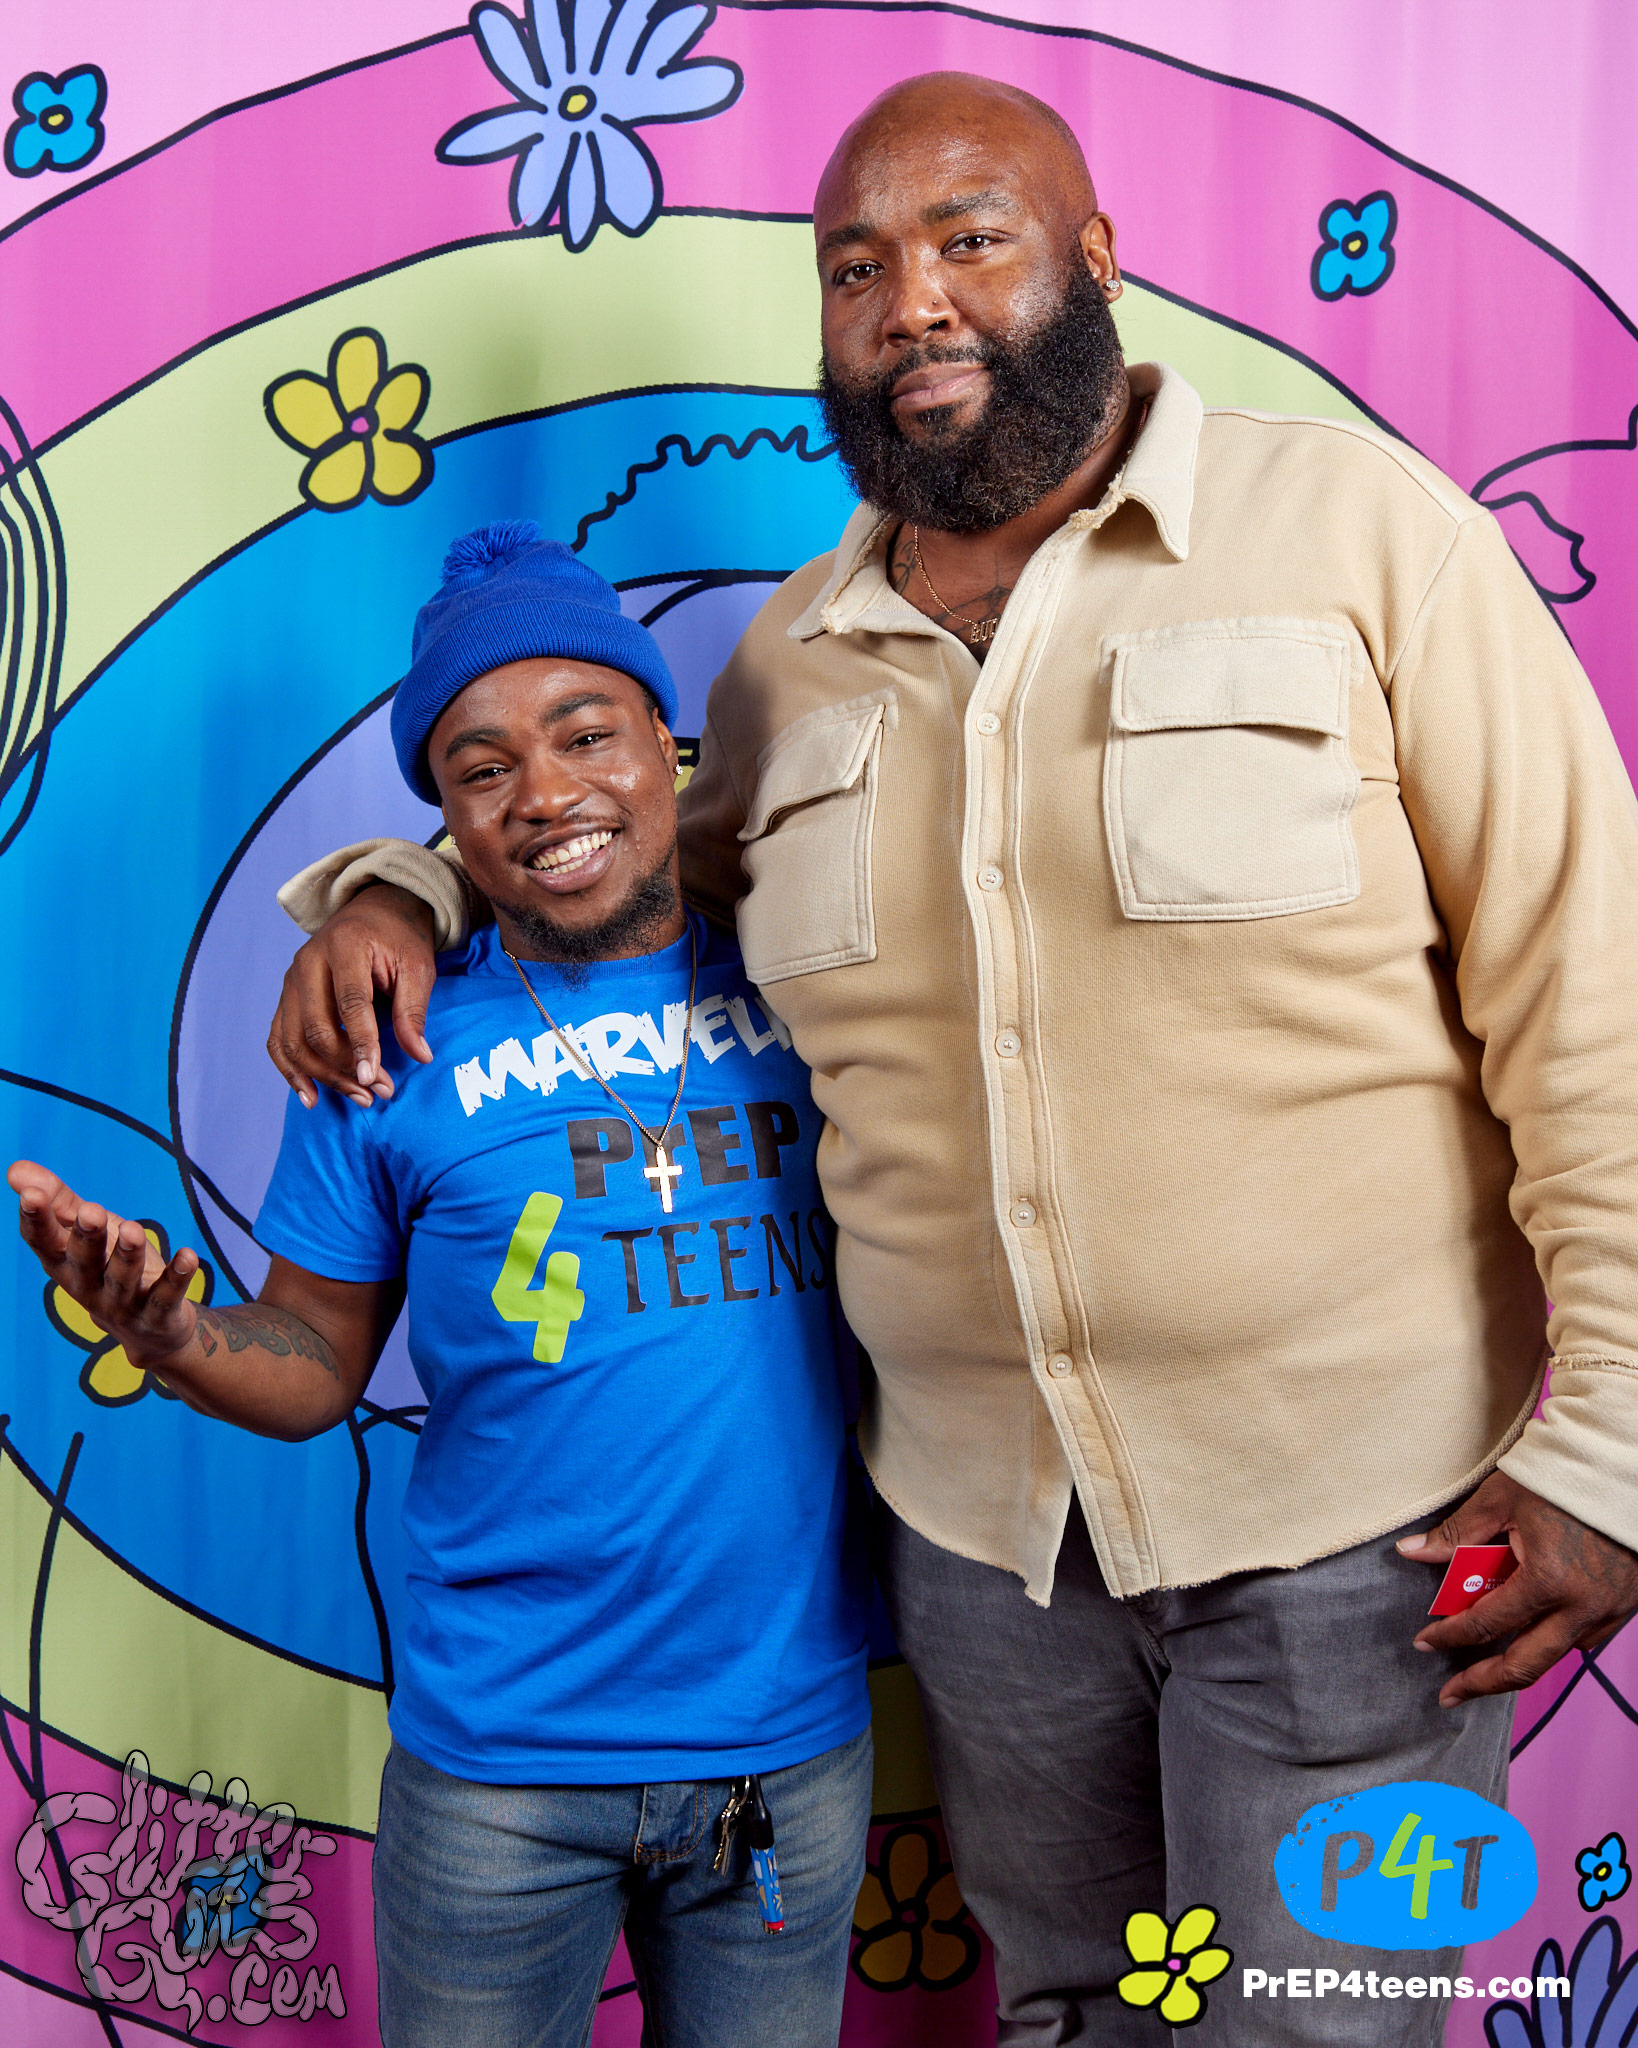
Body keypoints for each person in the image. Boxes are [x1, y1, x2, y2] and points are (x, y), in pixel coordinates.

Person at [266, 72, 1638, 2048]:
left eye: (968, 240)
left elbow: (1591, 990)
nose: (908, 300)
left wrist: (1610, 1450)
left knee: (1315, 2027)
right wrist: (396, 886)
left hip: (1360, 1529)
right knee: (1071, 2013)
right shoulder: (787, 667)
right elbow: (606, 865)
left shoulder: (1364, 537)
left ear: (1095, 260)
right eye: (855, 268)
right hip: (991, 1560)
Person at [11, 525, 872, 2048]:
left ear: (665, 747)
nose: (543, 792)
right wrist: (175, 1332)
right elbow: (310, 1361)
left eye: (586, 735)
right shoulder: (386, 1046)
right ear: (447, 819)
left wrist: (387, 895)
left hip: (785, 1747)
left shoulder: (820, 978)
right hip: (502, 1771)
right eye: (482, 769)